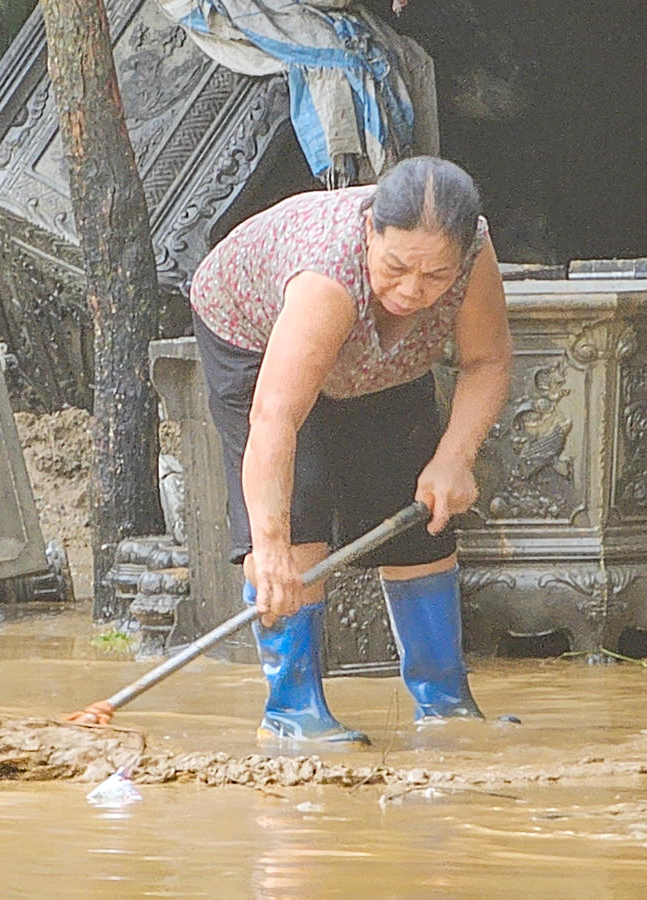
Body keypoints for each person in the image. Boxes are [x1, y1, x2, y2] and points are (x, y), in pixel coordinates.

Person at [189, 155, 512, 747]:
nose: (412, 290)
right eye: (396, 267)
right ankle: (292, 711)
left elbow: (487, 359)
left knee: (420, 513)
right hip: (254, 336)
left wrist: (454, 457)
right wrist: (270, 546)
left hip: (386, 360)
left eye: (435, 276)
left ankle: (444, 700)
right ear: (369, 231)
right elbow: (275, 418)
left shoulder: (473, 253)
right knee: (299, 519)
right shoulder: (326, 279)